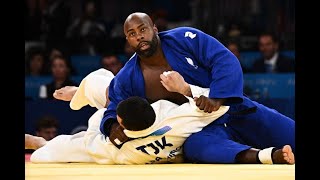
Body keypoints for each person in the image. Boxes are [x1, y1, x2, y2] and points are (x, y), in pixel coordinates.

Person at [99, 12, 295, 164]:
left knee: (288, 132)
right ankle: (268, 156)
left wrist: (217, 97)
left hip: (234, 111)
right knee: (196, 148)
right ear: (127, 40)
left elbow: (224, 59)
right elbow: (114, 103)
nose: (139, 37)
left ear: (155, 29)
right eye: (132, 34)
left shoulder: (183, 38)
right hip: (202, 131)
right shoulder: (127, 76)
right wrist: (112, 126)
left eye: (143, 30)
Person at [26, 70, 294, 164]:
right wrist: (184, 89)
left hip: (219, 124)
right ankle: (268, 155)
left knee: (79, 142)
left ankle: (41, 140)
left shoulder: (117, 151)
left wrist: (41, 148)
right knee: (200, 145)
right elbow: (219, 103)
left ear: (118, 121)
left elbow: (71, 148)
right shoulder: (175, 118)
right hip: (206, 132)